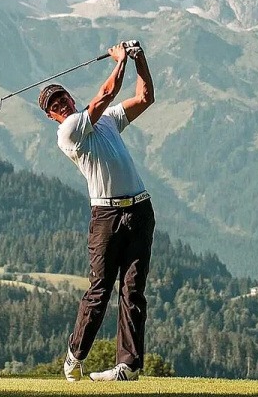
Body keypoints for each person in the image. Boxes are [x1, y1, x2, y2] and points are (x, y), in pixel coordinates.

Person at [38, 41, 155, 382]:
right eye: (53, 105)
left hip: (139, 210)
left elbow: (145, 97)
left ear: (70, 98)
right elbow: (106, 92)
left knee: (133, 291)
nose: (60, 104)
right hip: (105, 218)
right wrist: (120, 61)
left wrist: (139, 59)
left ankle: (128, 367)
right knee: (100, 290)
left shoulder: (106, 122)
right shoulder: (70, 131)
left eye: (62, 98)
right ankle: (75, 354)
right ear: (51, 116)